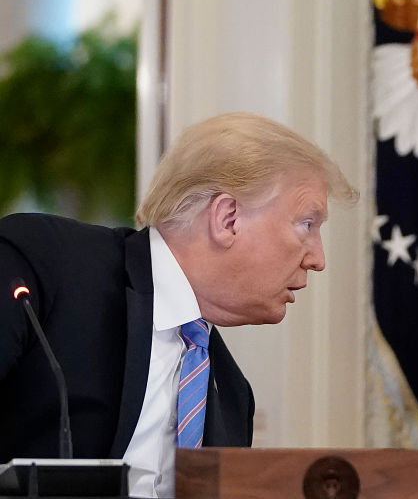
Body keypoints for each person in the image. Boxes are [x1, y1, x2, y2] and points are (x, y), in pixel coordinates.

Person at [0, 112, 356, 498]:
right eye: (307, 223)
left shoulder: (233, 401)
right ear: (228, 218)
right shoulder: (44, 266)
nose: (318, 259)